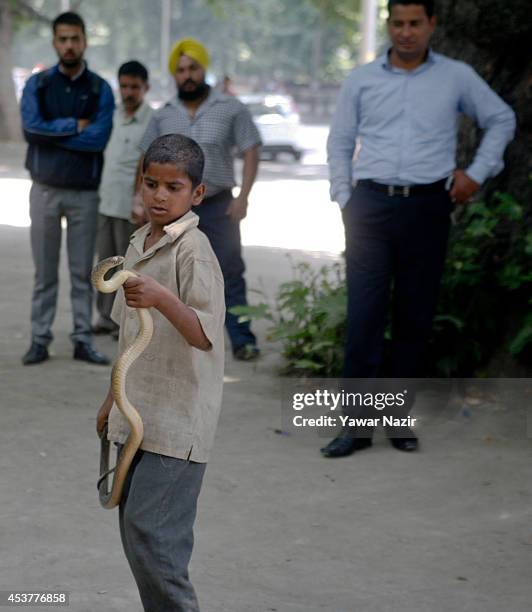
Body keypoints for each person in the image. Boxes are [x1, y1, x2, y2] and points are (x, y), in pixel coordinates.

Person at [322, 0, 516, 457]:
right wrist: (343, 197)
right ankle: (355, 428)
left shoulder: (456, 77)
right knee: (364, 318)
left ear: (432, 24)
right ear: (389, 25)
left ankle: (397, 421)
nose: (405, 32)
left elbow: (501, 118)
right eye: (398, 23)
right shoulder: (362, 79)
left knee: (414, 316)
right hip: (369, 206)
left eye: (415, 23)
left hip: (429, 207)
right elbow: (340, 140)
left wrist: (476, 173)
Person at [96, 133, 225, 610]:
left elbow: (204, 335)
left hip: (177, 423)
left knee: (156, 542)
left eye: (173, 187)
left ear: (196, 194)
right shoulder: (137, 243)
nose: (159, 196)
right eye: (151, 184)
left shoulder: (195, 250)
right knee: (136, 534)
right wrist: (111, 400)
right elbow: (128, 332)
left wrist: (163, 299)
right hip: (136, 414)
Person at [137, 38, 262, 361]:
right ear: (173, 75)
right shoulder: (164, 114)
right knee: (172, 271)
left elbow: (251, 148)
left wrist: (244, 197)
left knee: (230, 271)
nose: (187, 75)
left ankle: (242, 339)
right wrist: (140, 198)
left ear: (203, 68)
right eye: (180, 70)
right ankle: (177, 339)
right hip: (173, 211)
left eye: (193, 68)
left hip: (219, 205)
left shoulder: (230, 108)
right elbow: (144, 157)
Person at [20, 11, 114, 366]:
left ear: (85, 40)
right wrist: (74, 125)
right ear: (55, 42)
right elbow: (30, 130)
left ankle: (81, 338)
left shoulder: (99, 89)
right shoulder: (38, 85)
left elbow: (98, 139)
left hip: (84, 193)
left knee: (80, 273)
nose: (69, 45)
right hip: (44, 190)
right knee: (44, 273)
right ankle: (39, 339)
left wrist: (52, 134)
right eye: (63, 39)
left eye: (75, 38)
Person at [93, 60, 152, 338]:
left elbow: (147, 166)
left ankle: (125, 322)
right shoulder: (113, 116)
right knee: (105, 262)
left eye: (134, 87)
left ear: (145, 88)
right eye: (124, 86)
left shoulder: (152, 121)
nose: (128, 92)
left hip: (132, 207)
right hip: (106, 202)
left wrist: (140, 199)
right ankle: (104, 317)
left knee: (129, 266)